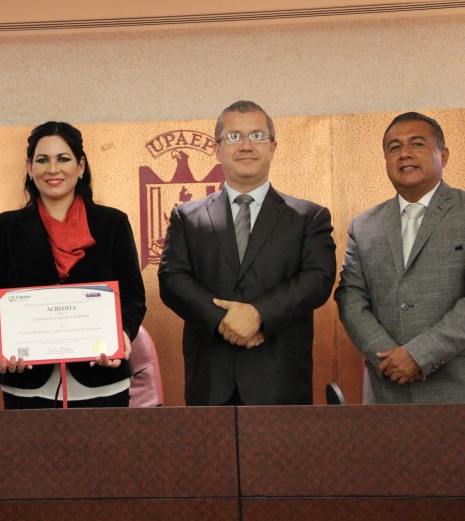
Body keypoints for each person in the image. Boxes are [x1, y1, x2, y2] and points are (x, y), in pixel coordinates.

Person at [158, 100, 336, 406]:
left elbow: (317, 280)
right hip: (211, 376)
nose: (245, 145)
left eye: (256, 136)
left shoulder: (309, 217)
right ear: (217, 149)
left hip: (281, 375)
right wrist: (223, 321)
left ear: (273, 146)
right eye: (234, 137)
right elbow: (172, 279)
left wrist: (258, 314)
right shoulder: (187, 216)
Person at [0, 121, 146, 409]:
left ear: (80, 166)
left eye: (63, 159)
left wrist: (123, 334)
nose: (52, 169)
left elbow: (133, 297)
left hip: (102, 378)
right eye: (42, 160)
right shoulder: (6, 227)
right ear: (30, 168)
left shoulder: (112, 223)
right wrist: (0, 345)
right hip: (28, 382)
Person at [335, 112, 465, 403]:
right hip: (386, 391)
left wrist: (419, 355)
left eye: (417, 144)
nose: (404, 154)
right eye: (394, 147)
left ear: (443, 156)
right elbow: (350, 297)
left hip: (456, 389)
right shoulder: (364, 225)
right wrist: (387, 357)